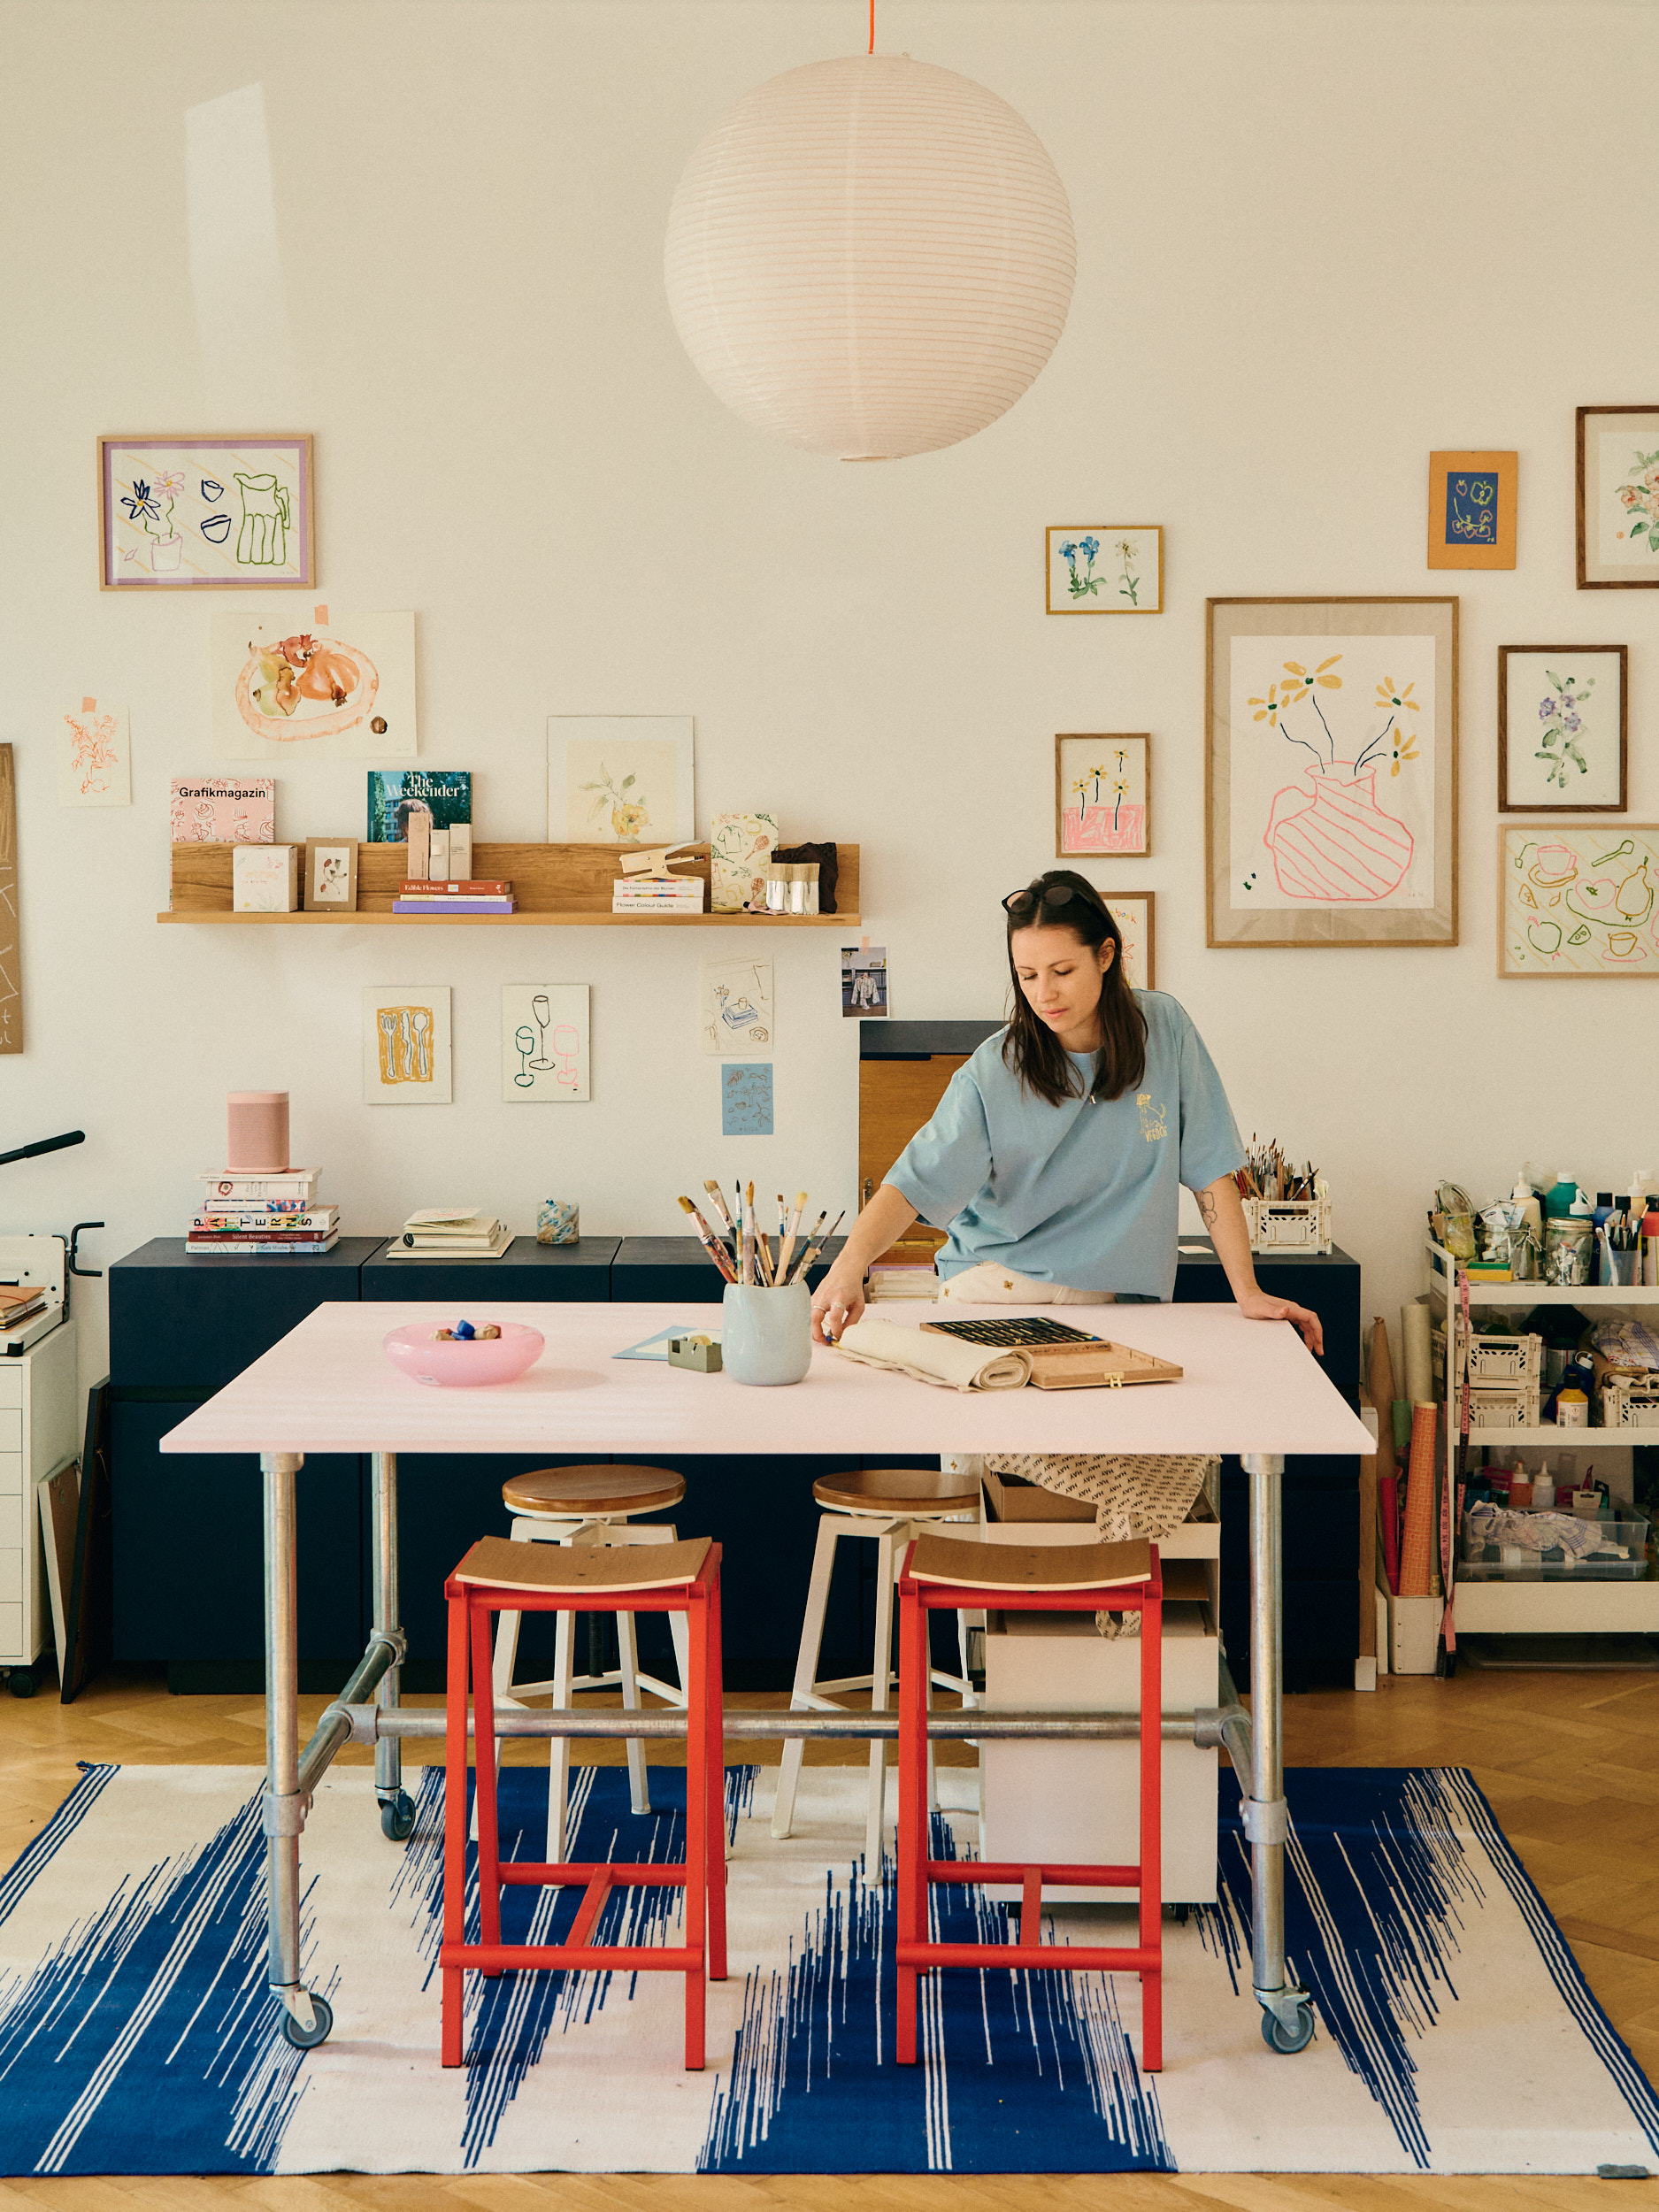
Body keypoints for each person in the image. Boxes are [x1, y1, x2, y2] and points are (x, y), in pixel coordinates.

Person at [808, 871, 1323, 1588]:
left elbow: (1210, 1169)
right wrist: (845, 1268)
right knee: (1072, 1490)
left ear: (1106, 956)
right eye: (1026, 975)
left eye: (1061, 970)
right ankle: (1036, 1644)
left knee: (1172, 1462)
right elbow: (913, 1183)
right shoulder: (997, 1067)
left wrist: (1248, 1290)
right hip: (999, 1297)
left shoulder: (1163, 1029)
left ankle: (1118, 1637)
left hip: (1119, 1309)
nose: (1044, 993)